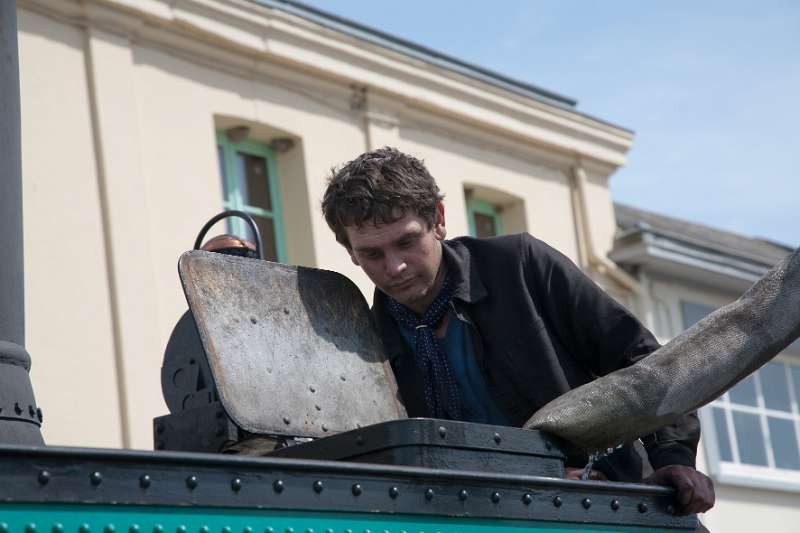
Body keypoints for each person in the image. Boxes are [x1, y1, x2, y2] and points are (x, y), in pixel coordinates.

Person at [321, 146, 714, 515]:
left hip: (611, 505)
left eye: (406, 242)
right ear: (351, 254)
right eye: (373, 254)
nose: (395, 267)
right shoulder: (360, 342)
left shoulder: (521, 266)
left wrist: (674, 459)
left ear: (438, 219)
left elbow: (644, 361)